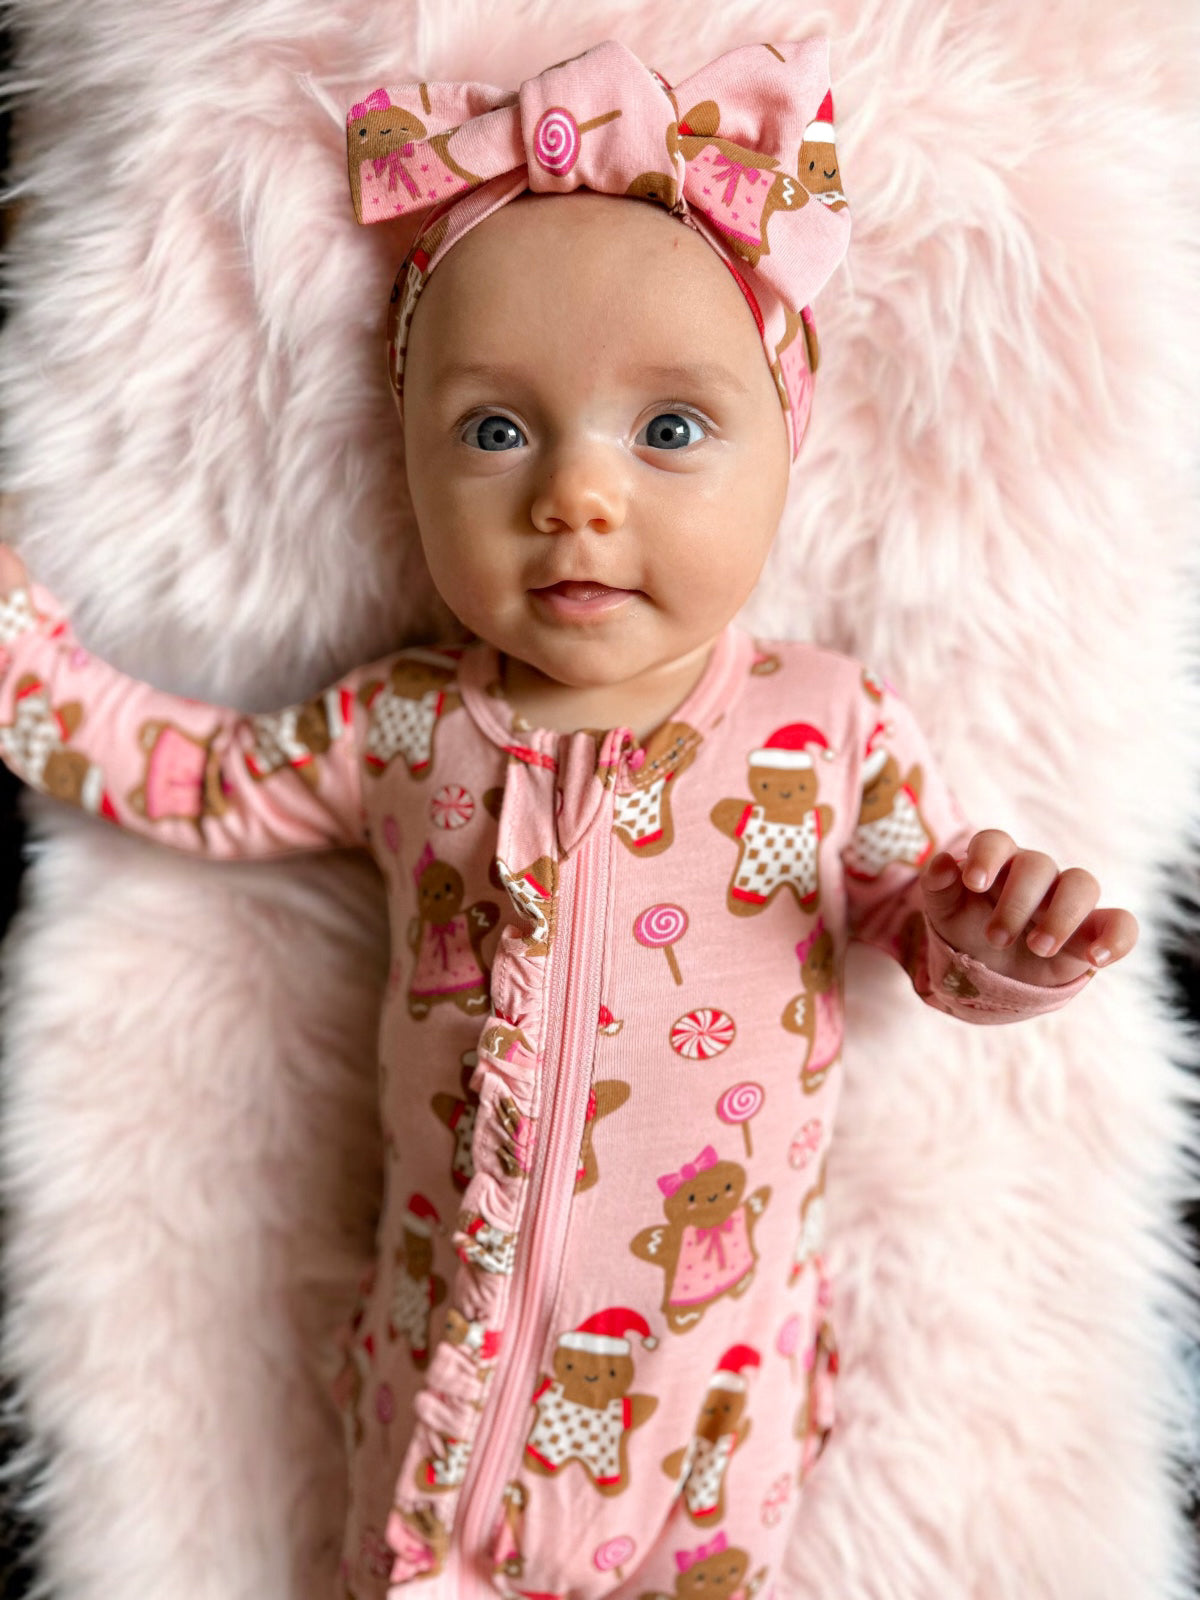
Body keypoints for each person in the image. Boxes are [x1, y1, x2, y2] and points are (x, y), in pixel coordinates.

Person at [0, 36, 1138, 1600]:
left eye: (671, 431)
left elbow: (915, 921)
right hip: (429, 1431)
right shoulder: (404, 723)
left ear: (784, 451)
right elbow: (181, 772)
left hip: (702, 1439)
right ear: (407, 465)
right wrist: (22, 645)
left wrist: (1000, 934)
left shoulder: (821, 727)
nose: (577, 498)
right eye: (494, 431)